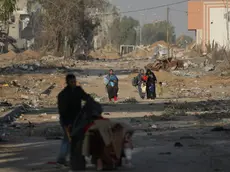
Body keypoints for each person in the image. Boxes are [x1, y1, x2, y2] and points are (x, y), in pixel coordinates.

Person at [57, 73, 91, 165]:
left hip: (77, 119)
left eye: (75, 81)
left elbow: (85, 97)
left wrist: (90, 100)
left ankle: (74, 158)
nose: (74, 83)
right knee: (67, 139)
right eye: (72, 82)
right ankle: (62, 158)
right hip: (66, 120)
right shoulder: (63, 95)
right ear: (67, 82)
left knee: (77, 138)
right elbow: (62, 111)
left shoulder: (78, 90)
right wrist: (67, 123)